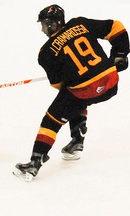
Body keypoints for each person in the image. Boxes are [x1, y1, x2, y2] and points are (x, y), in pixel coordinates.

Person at [13, 4, 129, 181]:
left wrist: (72, 73)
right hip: (110, 83)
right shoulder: (80, 24)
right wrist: (120, 54)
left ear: (53, 24)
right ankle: (76, 141)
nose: (43, 29)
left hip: (84, 91)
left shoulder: (45, 53)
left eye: (44, 24)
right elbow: (116, 27)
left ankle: (34, 163)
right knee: (73, 97)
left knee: (53, 117)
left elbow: (58, 85)